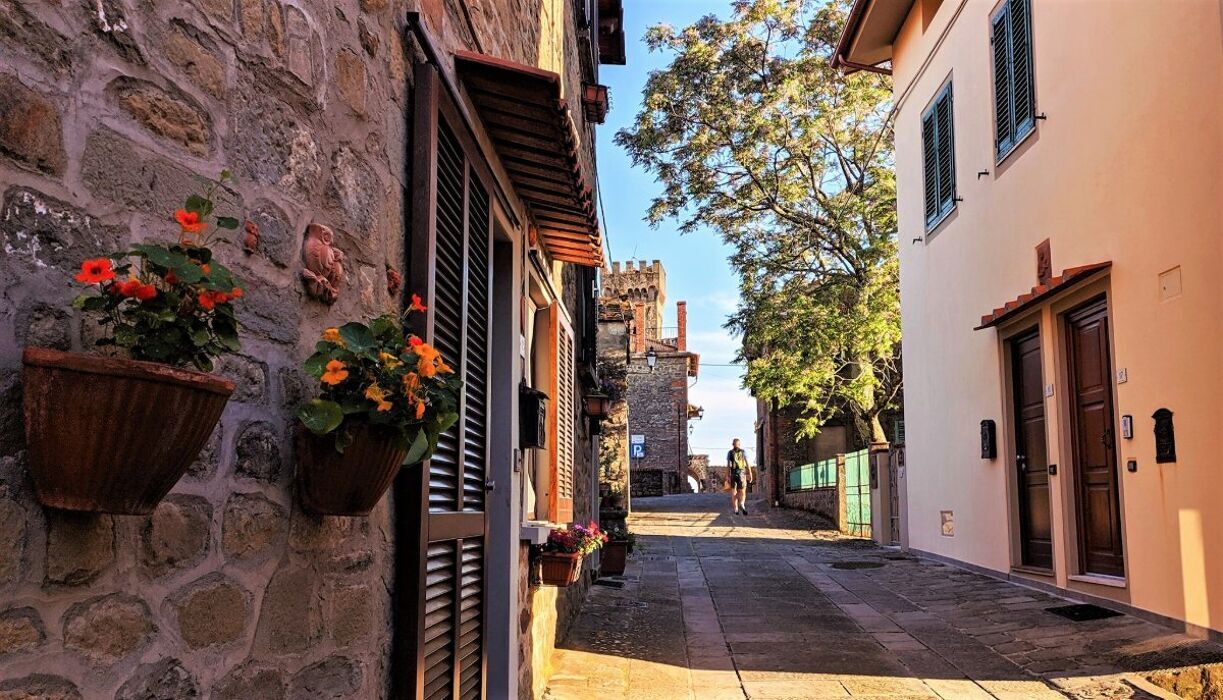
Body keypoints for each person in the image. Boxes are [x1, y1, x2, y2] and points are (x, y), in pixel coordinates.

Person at [726, 438, 754, 515]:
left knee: (734, 492)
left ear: (732, 444)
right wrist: (750, 473)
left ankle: (736, 509)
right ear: (739, 444)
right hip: (741, 473)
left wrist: (728, 475)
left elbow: (728, 465)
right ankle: (742, 503)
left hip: (733, 473)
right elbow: (747, 463)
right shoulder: (743, 452)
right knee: (743, 490)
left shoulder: (730, 453)